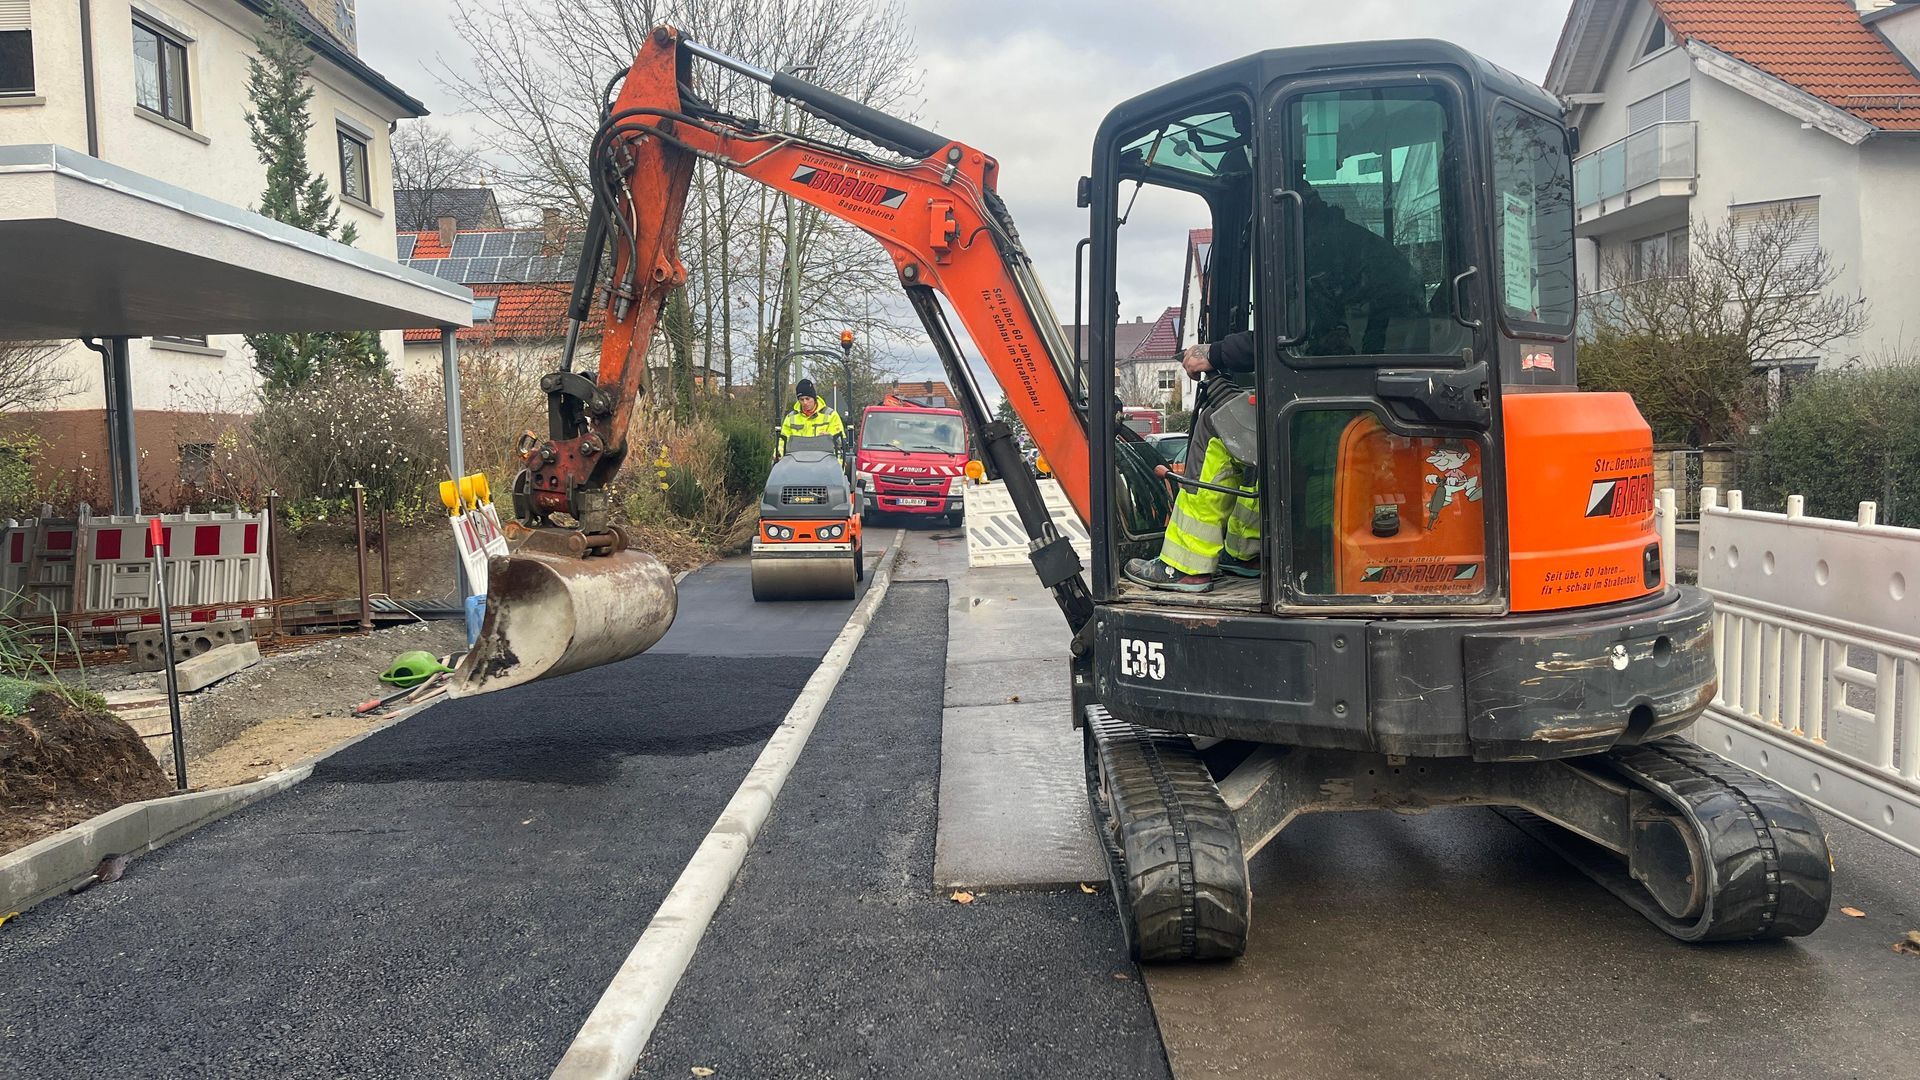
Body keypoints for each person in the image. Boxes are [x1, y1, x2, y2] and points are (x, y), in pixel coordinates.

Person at [777, 378, 845, 457]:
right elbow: (782, 441)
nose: (805, 402)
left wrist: (830, 438)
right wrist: (778, 454)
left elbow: (841, 441)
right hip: (797, 461)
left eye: (807, 399)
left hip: (825, 462)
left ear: (814, 398)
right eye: (801, 399)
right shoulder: (791, 418)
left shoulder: (831, 416)